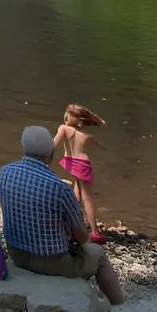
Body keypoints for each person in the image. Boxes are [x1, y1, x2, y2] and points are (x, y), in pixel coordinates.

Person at [0, 126, 125, 304]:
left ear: (24, 148)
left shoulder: (5, 172)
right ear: (52, 153)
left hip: (16, 254)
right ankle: (119, 306)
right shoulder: (60, 188)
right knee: (99, 255)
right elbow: (81, 237)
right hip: (52, 263)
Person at [54, 104, 108, 243]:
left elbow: (53, 143)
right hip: (82, 165)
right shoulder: (85, 136)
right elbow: (103, 146)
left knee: (78, 191)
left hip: (71, 163)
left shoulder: (64, 129)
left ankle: (72, 223)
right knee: (88, 198)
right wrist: (99, 121)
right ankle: (94, 232)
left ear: (67, 117)